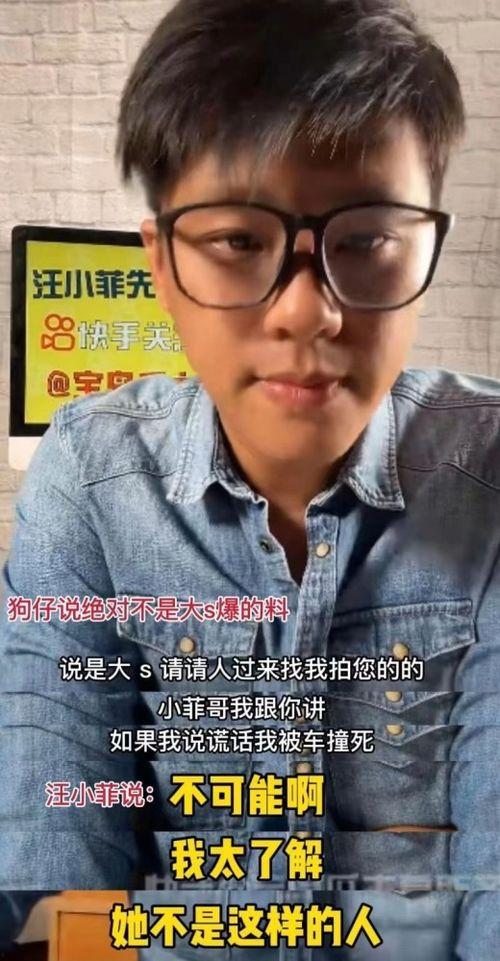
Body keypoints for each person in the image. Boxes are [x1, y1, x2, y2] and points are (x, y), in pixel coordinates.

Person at [1, 0, 500, 958]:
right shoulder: (91, 473)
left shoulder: (489, 473)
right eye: (237, 240)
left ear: (429, 244)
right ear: (160, 263)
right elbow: (53, 871)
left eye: (366, 239)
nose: (307, 313)